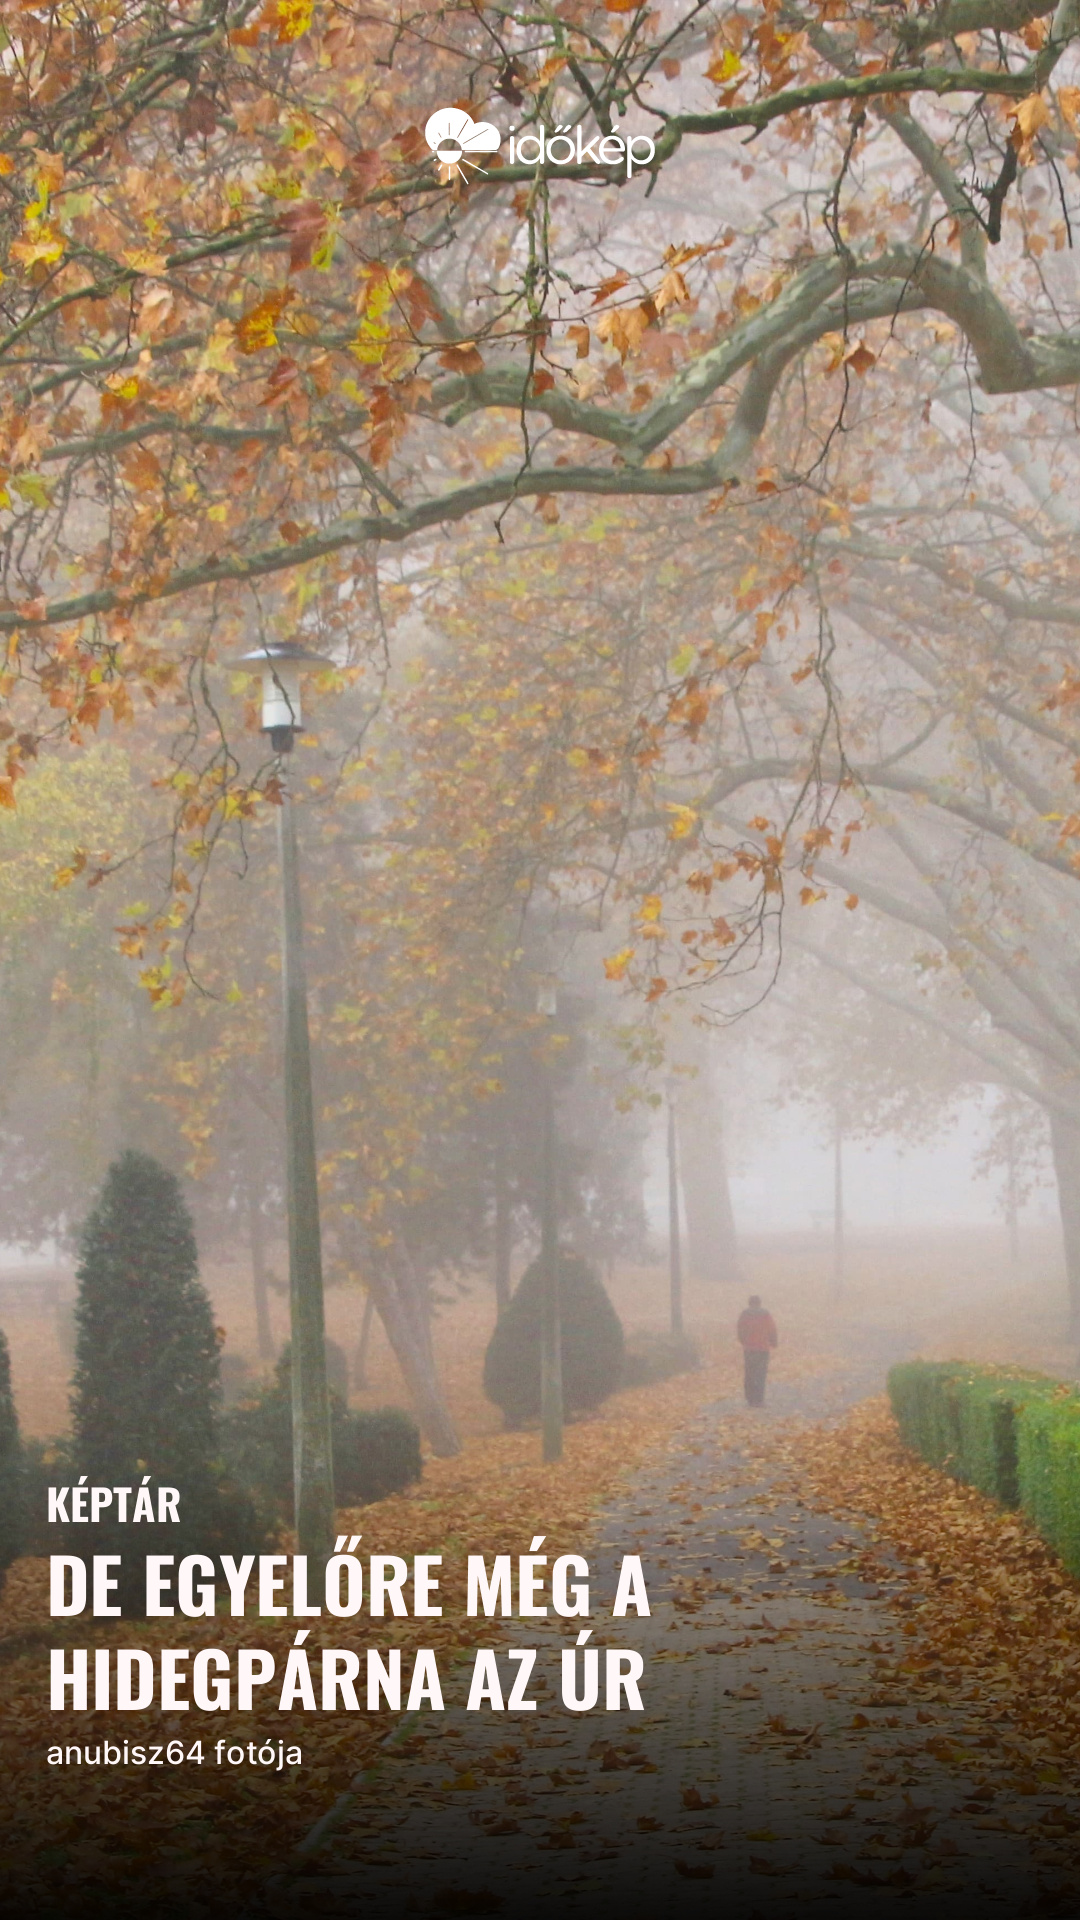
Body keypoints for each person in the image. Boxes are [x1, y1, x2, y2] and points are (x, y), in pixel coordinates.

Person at [737, 1293, 778, 1407]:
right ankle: (759, 1399)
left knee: (749, 1373)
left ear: (749, 1303)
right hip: (763, 1349)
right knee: (761, 1374)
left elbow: (740, 1329)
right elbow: (772, 1328)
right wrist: (773, 1342)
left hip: (749, 1349)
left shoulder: (745, 1314)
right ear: (760, 1303)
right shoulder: (765, 1314)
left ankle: (750, 1398)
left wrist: (743, 1341)